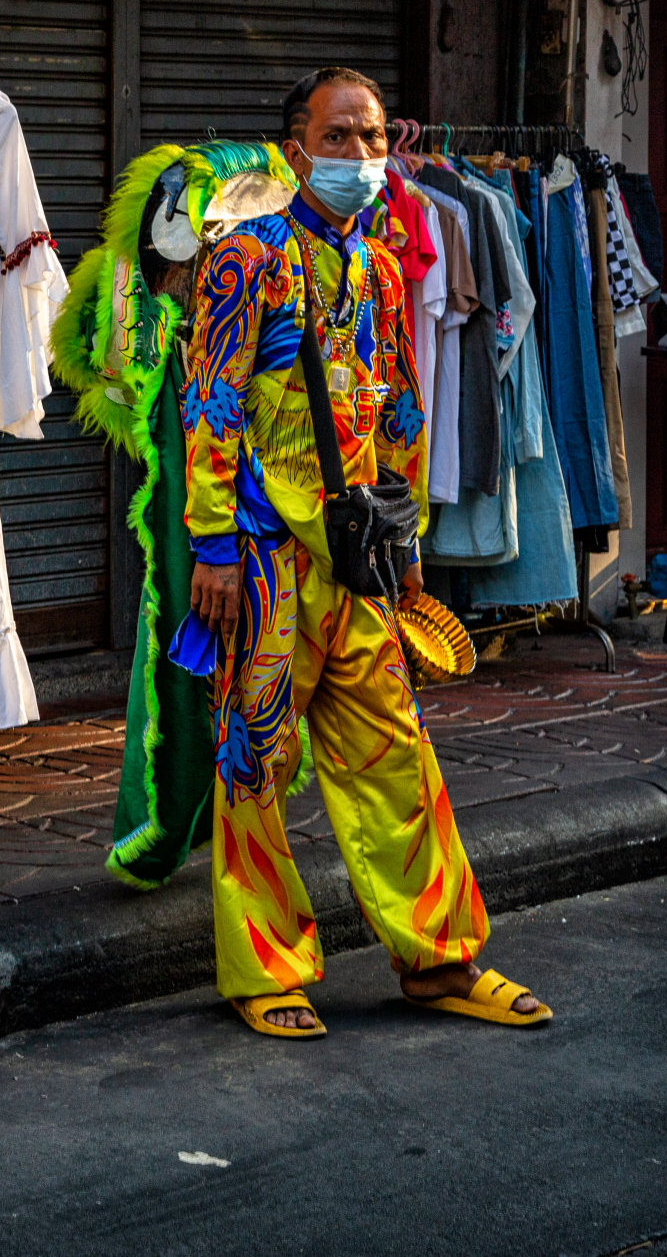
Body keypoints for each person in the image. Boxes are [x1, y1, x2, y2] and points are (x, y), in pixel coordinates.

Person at [179, 67, 550, 1036]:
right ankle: (264, 972)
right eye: (337, 137)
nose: (358, 156)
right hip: (261, 555)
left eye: (374, 137)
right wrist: (212, 543)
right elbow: (209, 398)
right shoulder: (243, 257)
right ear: (293, 148)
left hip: (354, 561)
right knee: (253, 761)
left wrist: (407, 544)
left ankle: (437, 960)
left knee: (394, 753)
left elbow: (396, 404)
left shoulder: (385, 265)